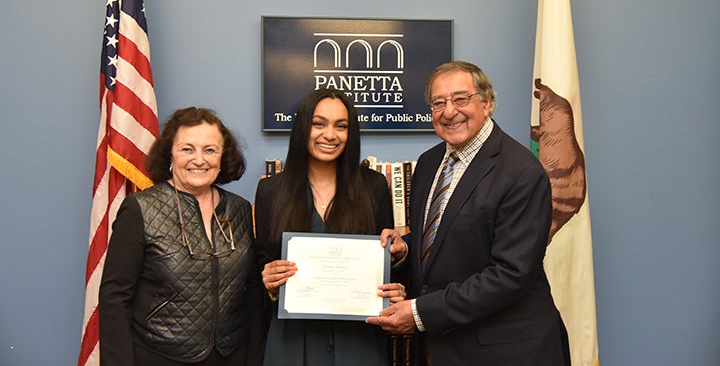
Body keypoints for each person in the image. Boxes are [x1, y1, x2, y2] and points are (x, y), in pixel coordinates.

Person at [366, 61, 570, 366]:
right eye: (439, 103)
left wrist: (420, 312)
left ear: (487, 103)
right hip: (444, 347)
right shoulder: (429, 163)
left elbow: (510, 275)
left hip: (505, 351)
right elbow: (448, 236)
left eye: (461, 99)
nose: (449, 111)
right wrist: (405, 247)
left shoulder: (521, 172)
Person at [99, 107, 265, 366]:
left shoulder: (240, 209)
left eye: (210, 150)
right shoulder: (140, 209)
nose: (199, 160)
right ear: (169, 155)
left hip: (231, 355)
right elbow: (114, 297)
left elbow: (252, 293)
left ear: (223, 157)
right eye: (187, 149)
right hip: (159, 356)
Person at [254, 88, 407, 366]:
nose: (330, 135)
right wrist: (269, 280)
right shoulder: (270, 190)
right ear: (303, 128)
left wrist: (397, 259)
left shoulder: (373, 186)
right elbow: (262, 261)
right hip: (291, 337)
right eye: (319, 123)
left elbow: (388, 258)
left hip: (358, 337)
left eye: (341, 126)